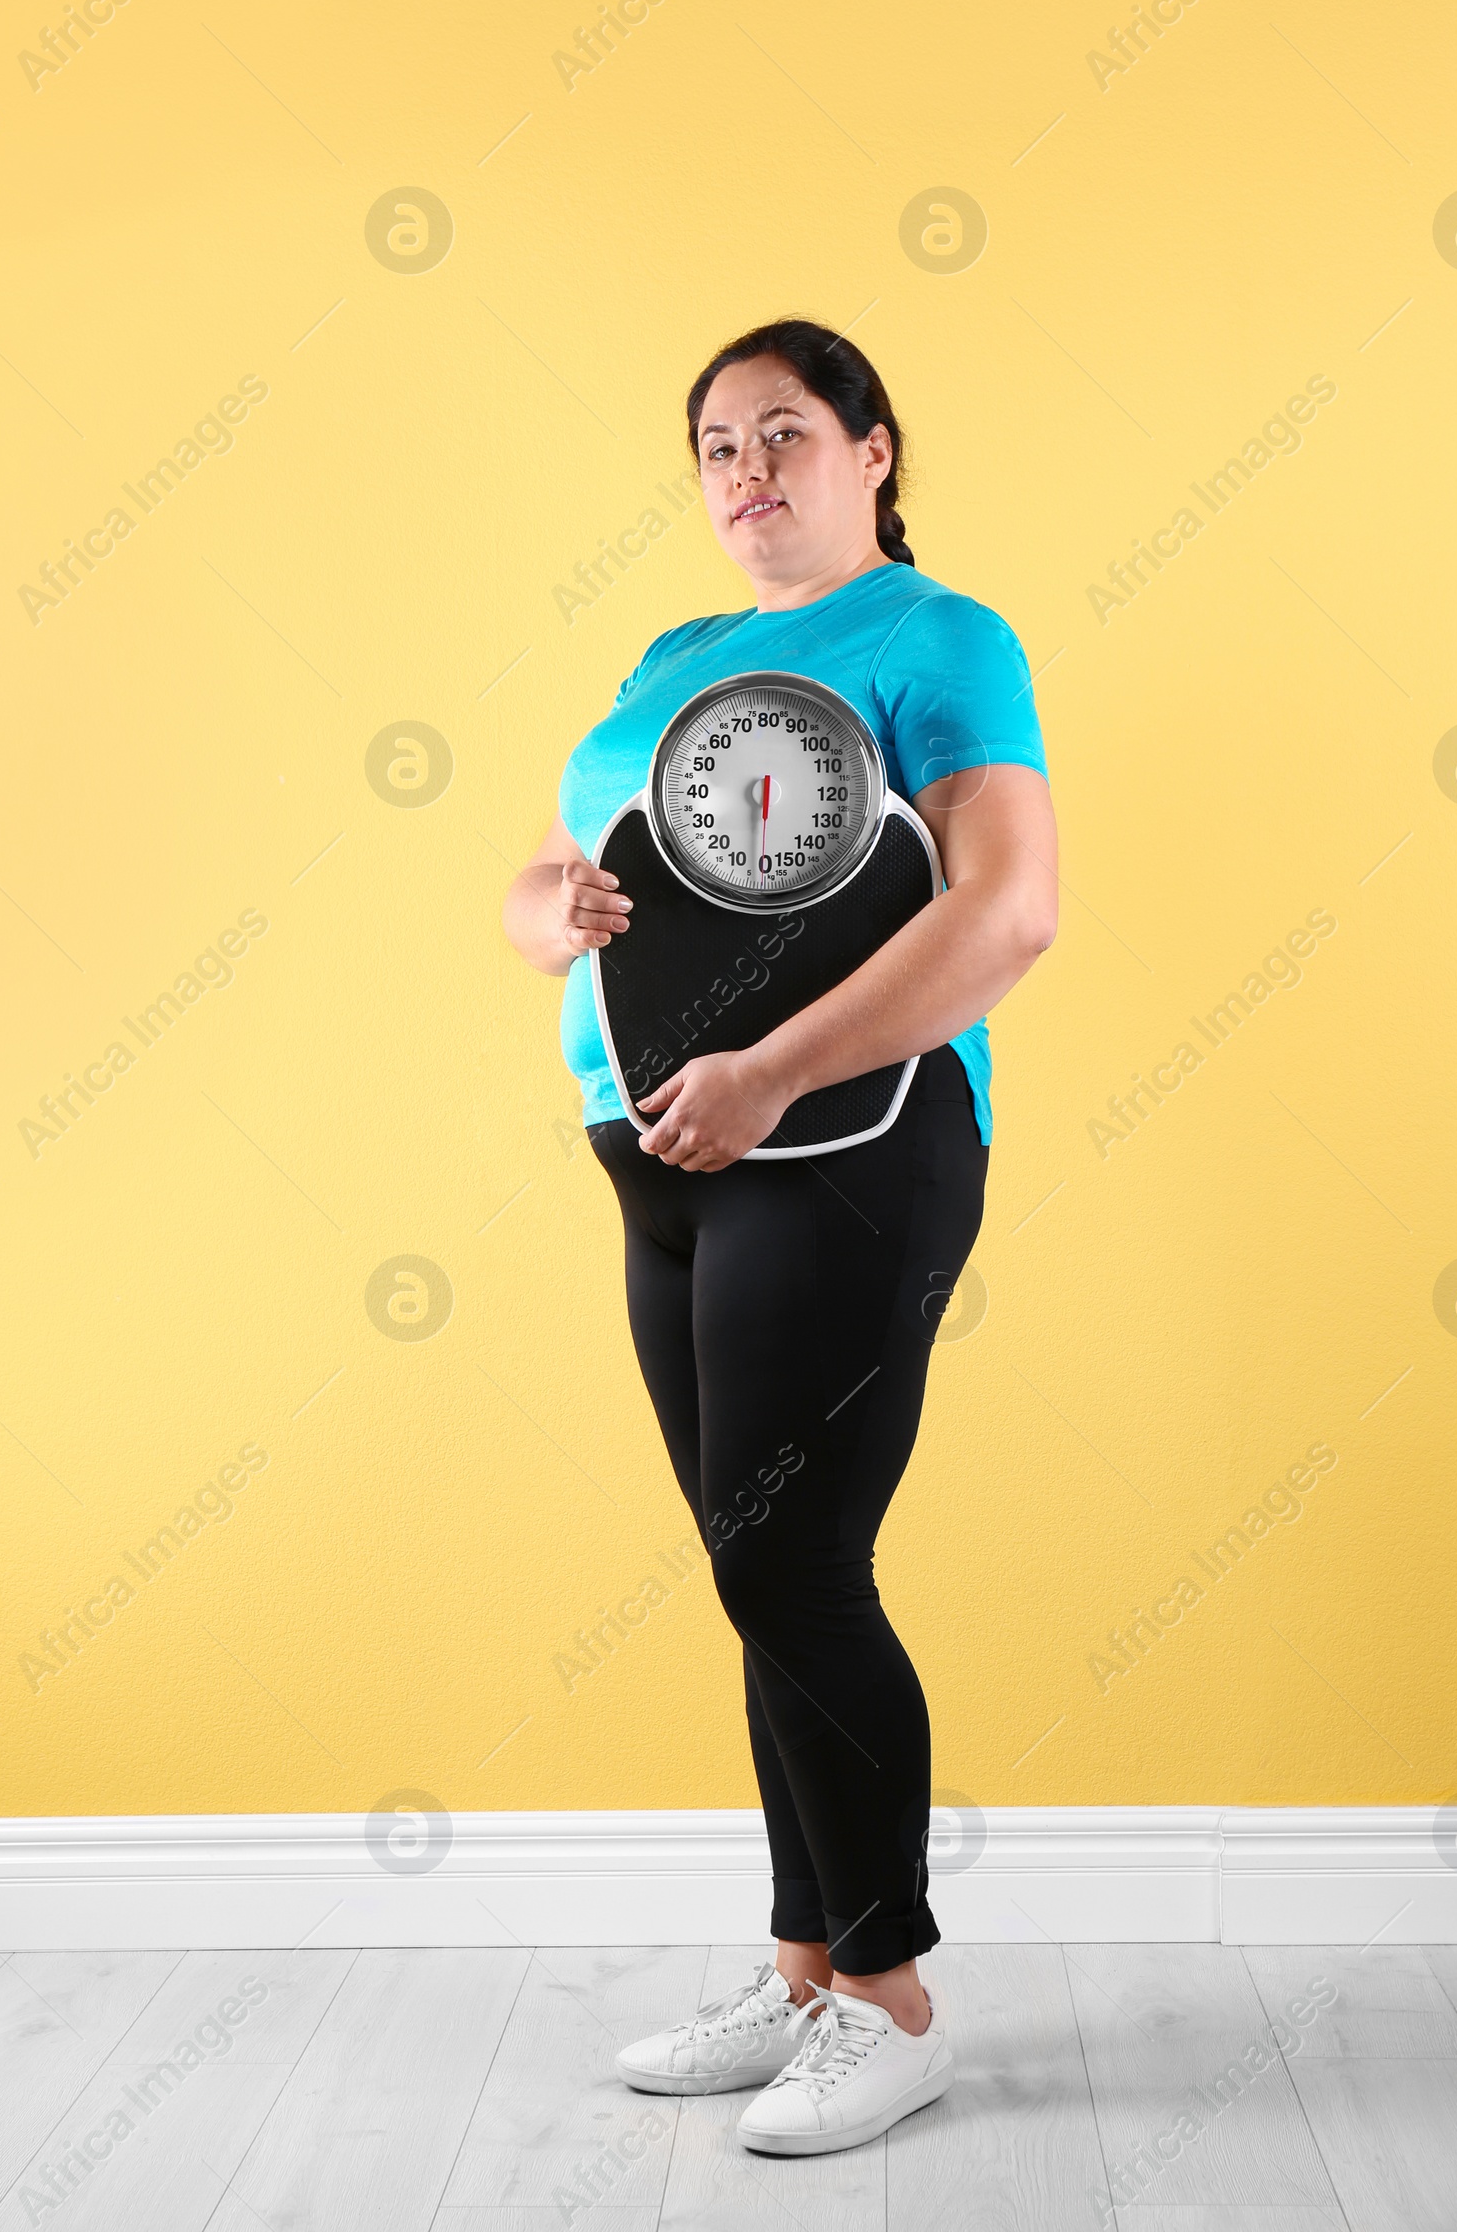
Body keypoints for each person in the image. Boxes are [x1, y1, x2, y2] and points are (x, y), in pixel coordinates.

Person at [501, 318, 1058, 2156]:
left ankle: (892, 1995)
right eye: (717, 451)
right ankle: (807, 1959)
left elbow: (1008, 914)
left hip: (850, 1143)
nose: (748, 476)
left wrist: (767, 1075)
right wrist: (537, 902)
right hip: (654, 1145)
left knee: (792, 1556)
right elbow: (575, 881)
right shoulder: (676, 658)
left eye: (785, 435)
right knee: (752, 1566)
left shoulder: (942, 640)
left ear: (874, 449)